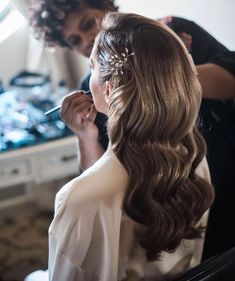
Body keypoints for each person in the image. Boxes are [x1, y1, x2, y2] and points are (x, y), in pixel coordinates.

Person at [29, 0, 235, 259]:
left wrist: (163, 68)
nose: (87, 41)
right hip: (161, 205)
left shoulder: (176, 34)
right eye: (75, 40)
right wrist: (84, 135)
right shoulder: (94, 89)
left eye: (87, 23)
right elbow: (97, 183)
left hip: (219, 172)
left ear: (106, 8)